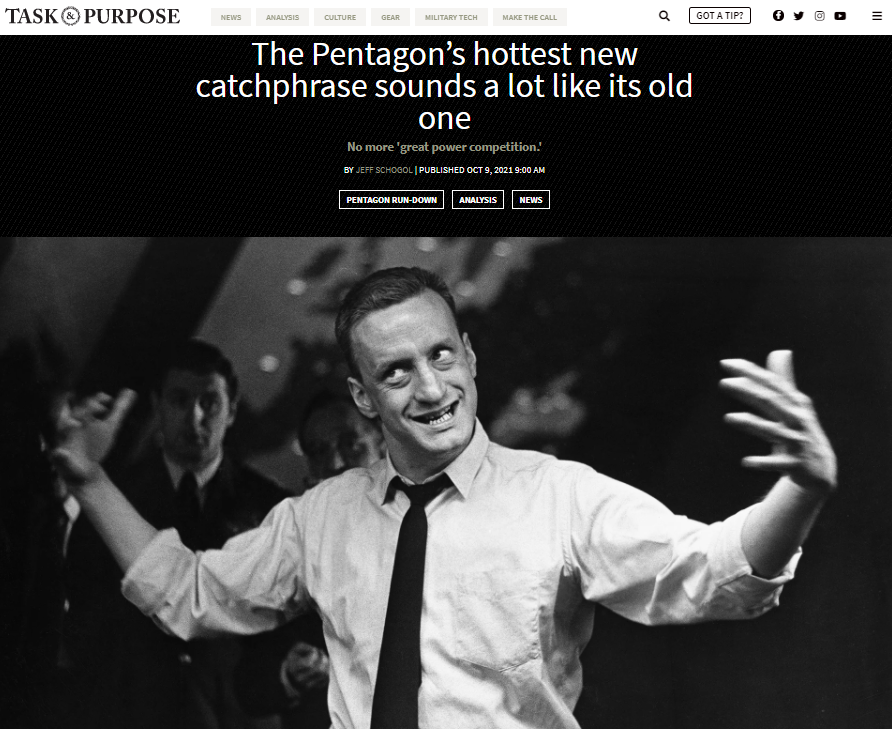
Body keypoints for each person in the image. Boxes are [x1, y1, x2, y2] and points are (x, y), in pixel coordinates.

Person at [51, 267, 837, 729]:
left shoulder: (558, 495)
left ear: (469, 354)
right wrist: (88, 477)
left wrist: (800, 488)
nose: (431, 389)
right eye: (396, 371)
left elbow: (713, 572)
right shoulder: (320, 517)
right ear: (363, 397)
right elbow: (187, 591)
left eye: (441, 355)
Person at [62, 339, 289, 729]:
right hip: (130, 708)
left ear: (232, 411)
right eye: (180, 400)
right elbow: (84, 607)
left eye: (210, 403)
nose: (194, 417)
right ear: (158, 407)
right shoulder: (114, 499)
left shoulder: (270, 505)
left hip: (233, 711)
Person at [234, 391, 385, 728]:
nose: (336, 464)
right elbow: (250, 682)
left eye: (350, 444)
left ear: (383, 444)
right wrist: (288, 674)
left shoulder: (437, 531)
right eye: (319, 453)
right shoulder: (291, 556)